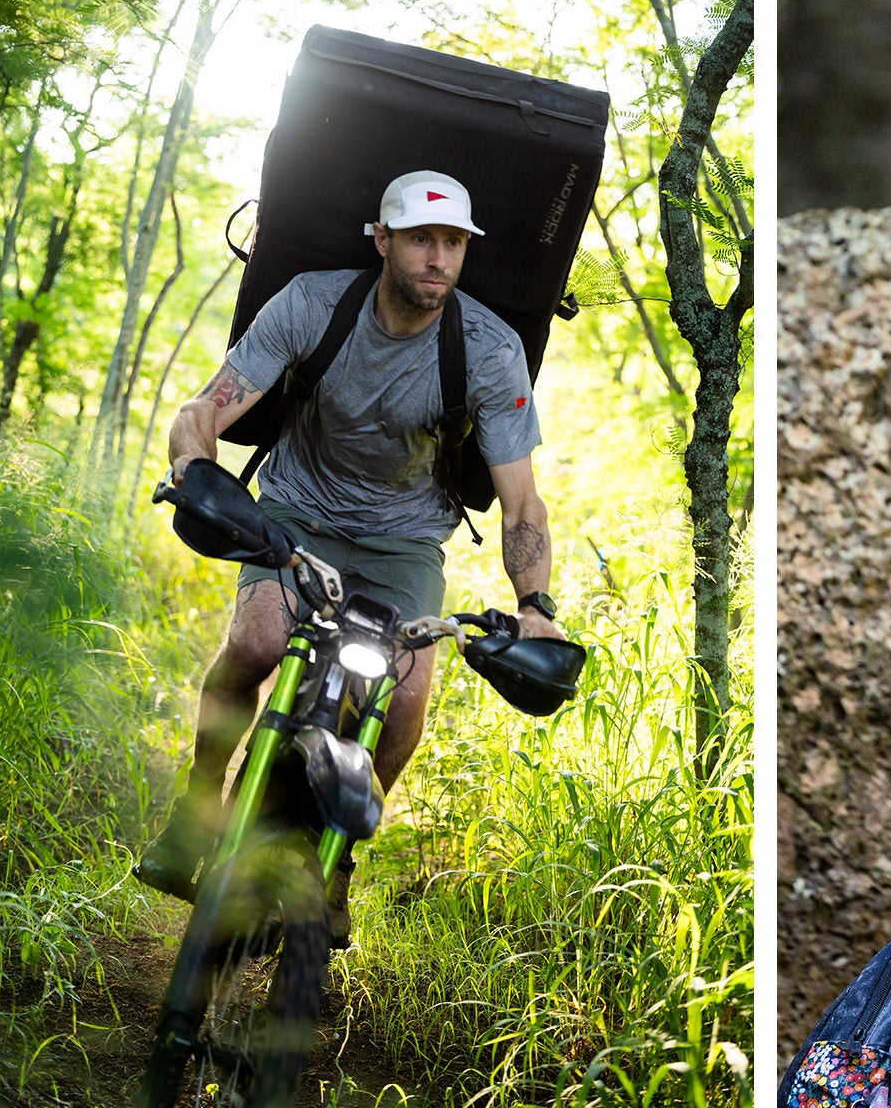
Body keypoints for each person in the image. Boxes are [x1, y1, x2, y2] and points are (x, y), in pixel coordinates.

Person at [133, 171, 566, 946]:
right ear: (383, 240)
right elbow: (205, 406)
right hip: (297, 512)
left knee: (403, 701)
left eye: (455, 243)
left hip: (405, 541)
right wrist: (194, 470)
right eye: (423, 239)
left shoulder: (490, 351)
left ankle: (337, 863)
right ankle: (199, 807)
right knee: (260, 640)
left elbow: (522, 504)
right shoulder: (312, 303)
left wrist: (536, 607)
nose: (440, 258)